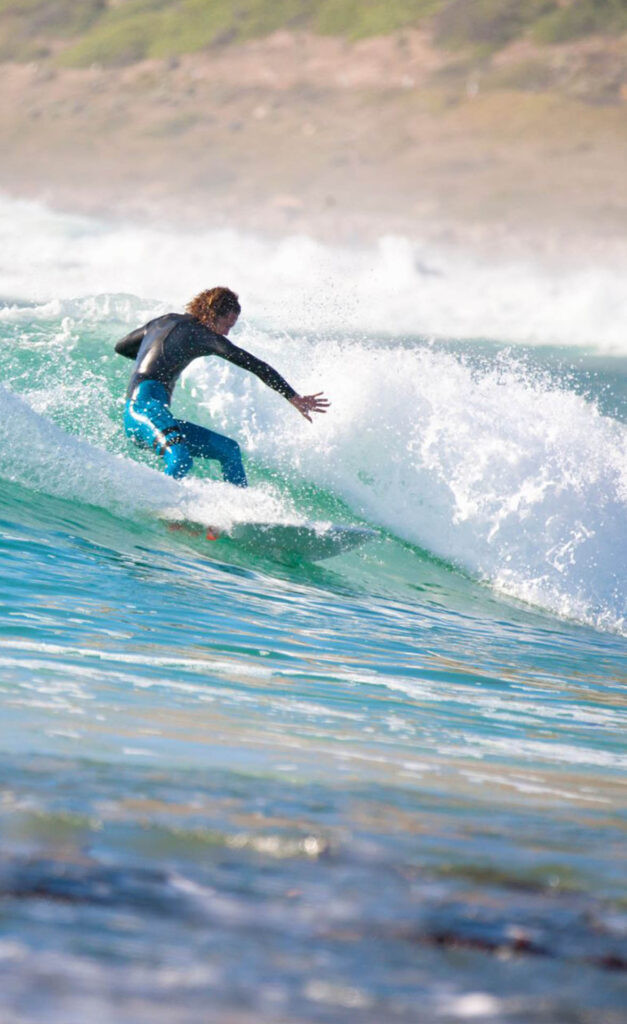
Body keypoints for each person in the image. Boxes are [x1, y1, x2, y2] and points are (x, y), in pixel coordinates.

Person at [115, 286, 329, 487]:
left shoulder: (165, 320)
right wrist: (293, 397)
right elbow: (255, 365)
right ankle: (159, 504)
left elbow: (122, 347)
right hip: (143, 409)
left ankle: (236, 511)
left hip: (151, 413)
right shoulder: (204, 335)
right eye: (227, 325)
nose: (226, 333)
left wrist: (153, 361)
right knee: (180, 459)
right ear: (211, 314)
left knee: (229, 450)